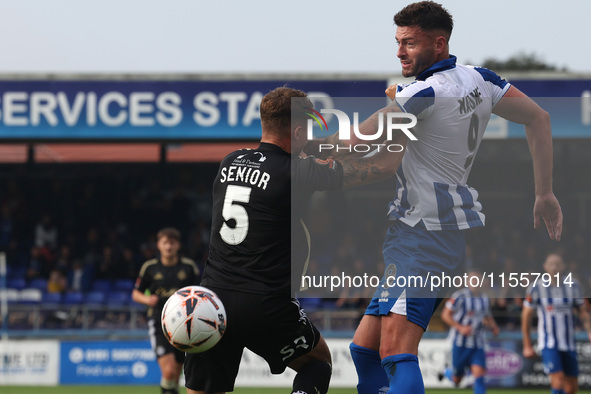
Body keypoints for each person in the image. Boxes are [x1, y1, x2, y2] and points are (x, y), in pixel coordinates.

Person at [318, 2, 564, 393]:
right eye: (397, 42)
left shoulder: (425, 91)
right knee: (363, 348)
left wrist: (309, 151)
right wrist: (545, 191)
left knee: (395, 352)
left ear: (439, 42)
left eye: (409, 43)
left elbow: (361, 141)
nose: (399, 51)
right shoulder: (480, 79)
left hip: (424, 236)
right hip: (423, 235)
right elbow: (540, 118)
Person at [183, 86, 406, 394]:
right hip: (265, 303)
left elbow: (327, 146)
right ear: (299, 130)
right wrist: (405, 114)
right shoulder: (298, 171)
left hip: (213, 300)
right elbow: (383, 165)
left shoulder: (229, 162)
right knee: (318, 361)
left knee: (203, 389)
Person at [132, 227, 200, 394]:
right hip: (158, 322)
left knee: (176, 374)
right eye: (165, 242)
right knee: (168, 370)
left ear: (178, 245)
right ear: (159, 245)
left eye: (172, 242)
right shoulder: (149, 267)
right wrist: (147, 299)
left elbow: (199, 292)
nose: (168, 246)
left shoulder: (189, 267)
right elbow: (135, 293)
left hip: (183, 326)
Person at [522, 253, 591, 394]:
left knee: (571, 388)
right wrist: (527, 345)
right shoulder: (536, 287)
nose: (554, 267)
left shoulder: (574, 285)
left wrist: (590, 331)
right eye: (551, 264)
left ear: (563, 266)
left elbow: (583, 311)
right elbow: (526, 315)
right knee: (558, 379)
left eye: (558, 264)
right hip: (549, 343)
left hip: (569, 342)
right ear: (545, 267)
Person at [439, 271, 499, 393]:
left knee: (479, 375)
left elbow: (487, 316)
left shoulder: (485, 298)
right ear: (467, 281)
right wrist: (460, 327)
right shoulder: (459, 296)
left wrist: (494, 326)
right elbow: (445, 315)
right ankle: (446, 371)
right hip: (460, 343)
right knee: (457, 380)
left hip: (478, 343)